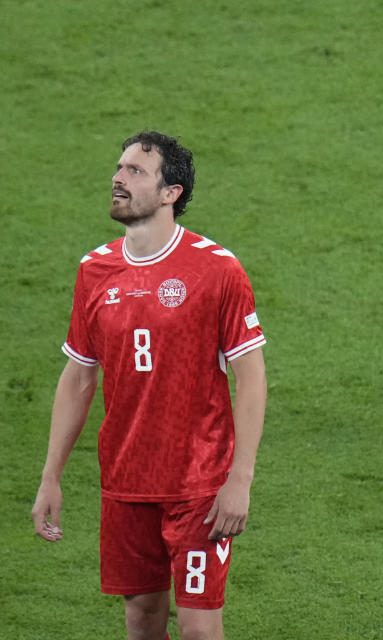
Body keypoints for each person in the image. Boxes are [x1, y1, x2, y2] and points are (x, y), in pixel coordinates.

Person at [31, 131, 267, 640]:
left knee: (200, 630)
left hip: (198, 484)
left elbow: (250, 376)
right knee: (141, 623)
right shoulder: (94, 271)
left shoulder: (216, 271)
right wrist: (51, 475)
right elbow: (78, 376)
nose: (118, 177)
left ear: (170, 193)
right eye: (119, 168)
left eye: (136, 171)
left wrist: (240, 479)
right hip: (125, 482)